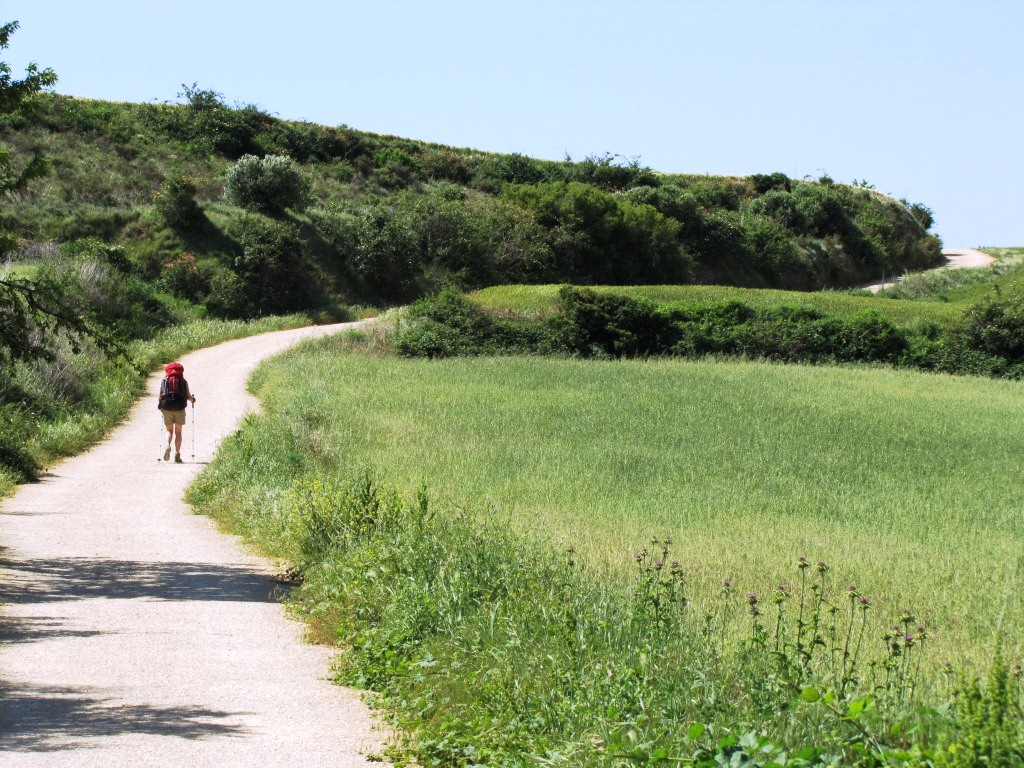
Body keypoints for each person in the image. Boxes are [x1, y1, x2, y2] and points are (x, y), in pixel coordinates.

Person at [158, 362, 196, 463]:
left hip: (167, 407)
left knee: (169, 431)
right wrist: (193, 400)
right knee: (178, 432)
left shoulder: (164, 381)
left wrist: (161, 406)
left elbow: (161, 396)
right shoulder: (183, 381)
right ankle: (177, 455)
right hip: (179, 408)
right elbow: (188, 397)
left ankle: (167, 445)